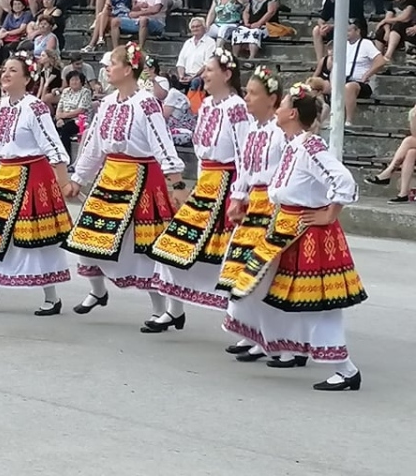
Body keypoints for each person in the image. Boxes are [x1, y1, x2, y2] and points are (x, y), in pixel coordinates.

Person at [228, 82, 367, 391]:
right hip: (289, 230)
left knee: (321, 304)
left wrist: (329, 213)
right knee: (272, 291)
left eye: (282, 105)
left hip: (311, 233)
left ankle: (344, 369)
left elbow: (342, 179)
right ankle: (283, 346)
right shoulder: (293, 145)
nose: (277, 109)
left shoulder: (309, 146)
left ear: (292, 113)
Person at [62, 42, 185, 320]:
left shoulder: (146, 104)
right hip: (110, 176)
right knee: (87, 235)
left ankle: (165, 310)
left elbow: (163, 144)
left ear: (129, 69)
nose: (106, 69)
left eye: (112, 64)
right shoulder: (106, 103)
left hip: (141, 177)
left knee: (146, 245)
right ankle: (97, 290)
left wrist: (176, 183)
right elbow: (93, 144)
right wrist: (79, 178)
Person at [0, 55, 73, 316]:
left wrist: (63, 181)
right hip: (6, 175)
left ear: (27, 78)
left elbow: (53, 146)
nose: (5, 74)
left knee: (37, 238)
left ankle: (52, 297)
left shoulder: (35, 107)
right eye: (4, 70)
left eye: (13, 70)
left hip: (32, 176)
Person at [147, 48, 250, 332]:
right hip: (206, 184)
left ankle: (242, 320)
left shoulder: (237, 107)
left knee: (231, 255)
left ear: (227, 74)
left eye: (210, 70)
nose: (204, 74)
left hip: (228, 185)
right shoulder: (206, 105)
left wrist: (241, 196)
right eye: (204, 69)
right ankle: (173, 310)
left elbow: (243, 156)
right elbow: (204, 155)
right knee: (172, 245)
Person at [216, 66, 288, 362]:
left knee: (264, 273)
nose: (246, 97)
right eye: (246, 92)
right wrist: (238, 198)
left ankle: (275, 339)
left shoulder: (279, 133)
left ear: (272, 99)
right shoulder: (253, 129)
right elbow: (245, 168)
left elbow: (284, 172)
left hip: (272, 205)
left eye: (253, 93)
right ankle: (255, 333)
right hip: (253, 206)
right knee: (241, 268)